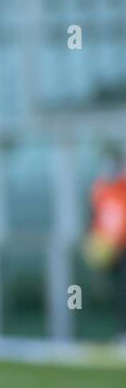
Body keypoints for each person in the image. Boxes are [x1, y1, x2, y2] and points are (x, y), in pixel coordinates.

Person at [85, 144, 126, 342]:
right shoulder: (100, 188)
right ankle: (120, 332)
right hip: (108, 248)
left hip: (123, 246)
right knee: (115, 292)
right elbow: (94, 217)